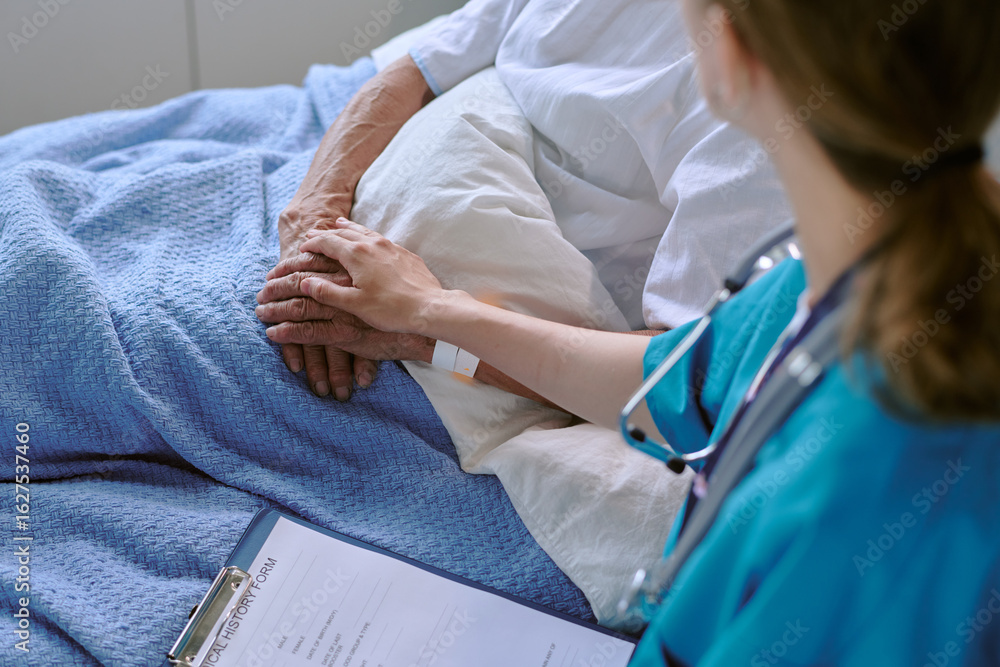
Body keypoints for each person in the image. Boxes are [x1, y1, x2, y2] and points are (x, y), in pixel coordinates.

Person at [257, 0, 1000, 663]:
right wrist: (427, 315)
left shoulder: (854, 505)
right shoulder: (819, 286)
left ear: (733, 53)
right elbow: (673, 382)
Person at [261, 0, 788, 404]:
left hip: (453, 342)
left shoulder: (764, 127)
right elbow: (424, 63)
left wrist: (420, 332)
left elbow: (674, 379)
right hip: (346, 206)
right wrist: (312, 221)